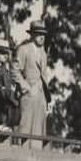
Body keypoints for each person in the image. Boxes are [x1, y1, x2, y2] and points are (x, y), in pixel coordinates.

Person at [11, 20, 51, 148]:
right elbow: (14, 70)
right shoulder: (24, 49)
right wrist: (26, 88)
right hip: (28, 96)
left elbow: (44, 76)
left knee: (39, 132)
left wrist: (48, 99)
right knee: (25, 129)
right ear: (32, 35)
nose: (42, 37)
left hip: (41, 97)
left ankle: (37, 159)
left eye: (43, 34)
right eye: (39, 34)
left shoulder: (43, 54)